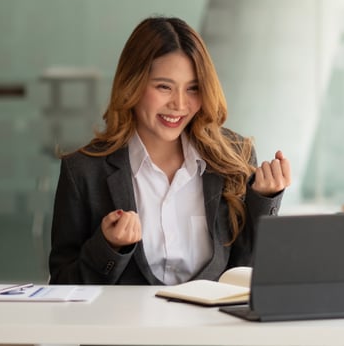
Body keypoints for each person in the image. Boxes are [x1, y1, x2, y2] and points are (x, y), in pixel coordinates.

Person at [48, 16, 291, 285]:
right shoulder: (84, 170)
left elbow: (244, 275)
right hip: (126, 327)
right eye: (164, 87)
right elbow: (62, 285)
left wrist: (264, 200)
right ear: (133, 84)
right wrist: (108, 247)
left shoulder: (235, 157)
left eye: (193, 89)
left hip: (212, 326)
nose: (179, 104)